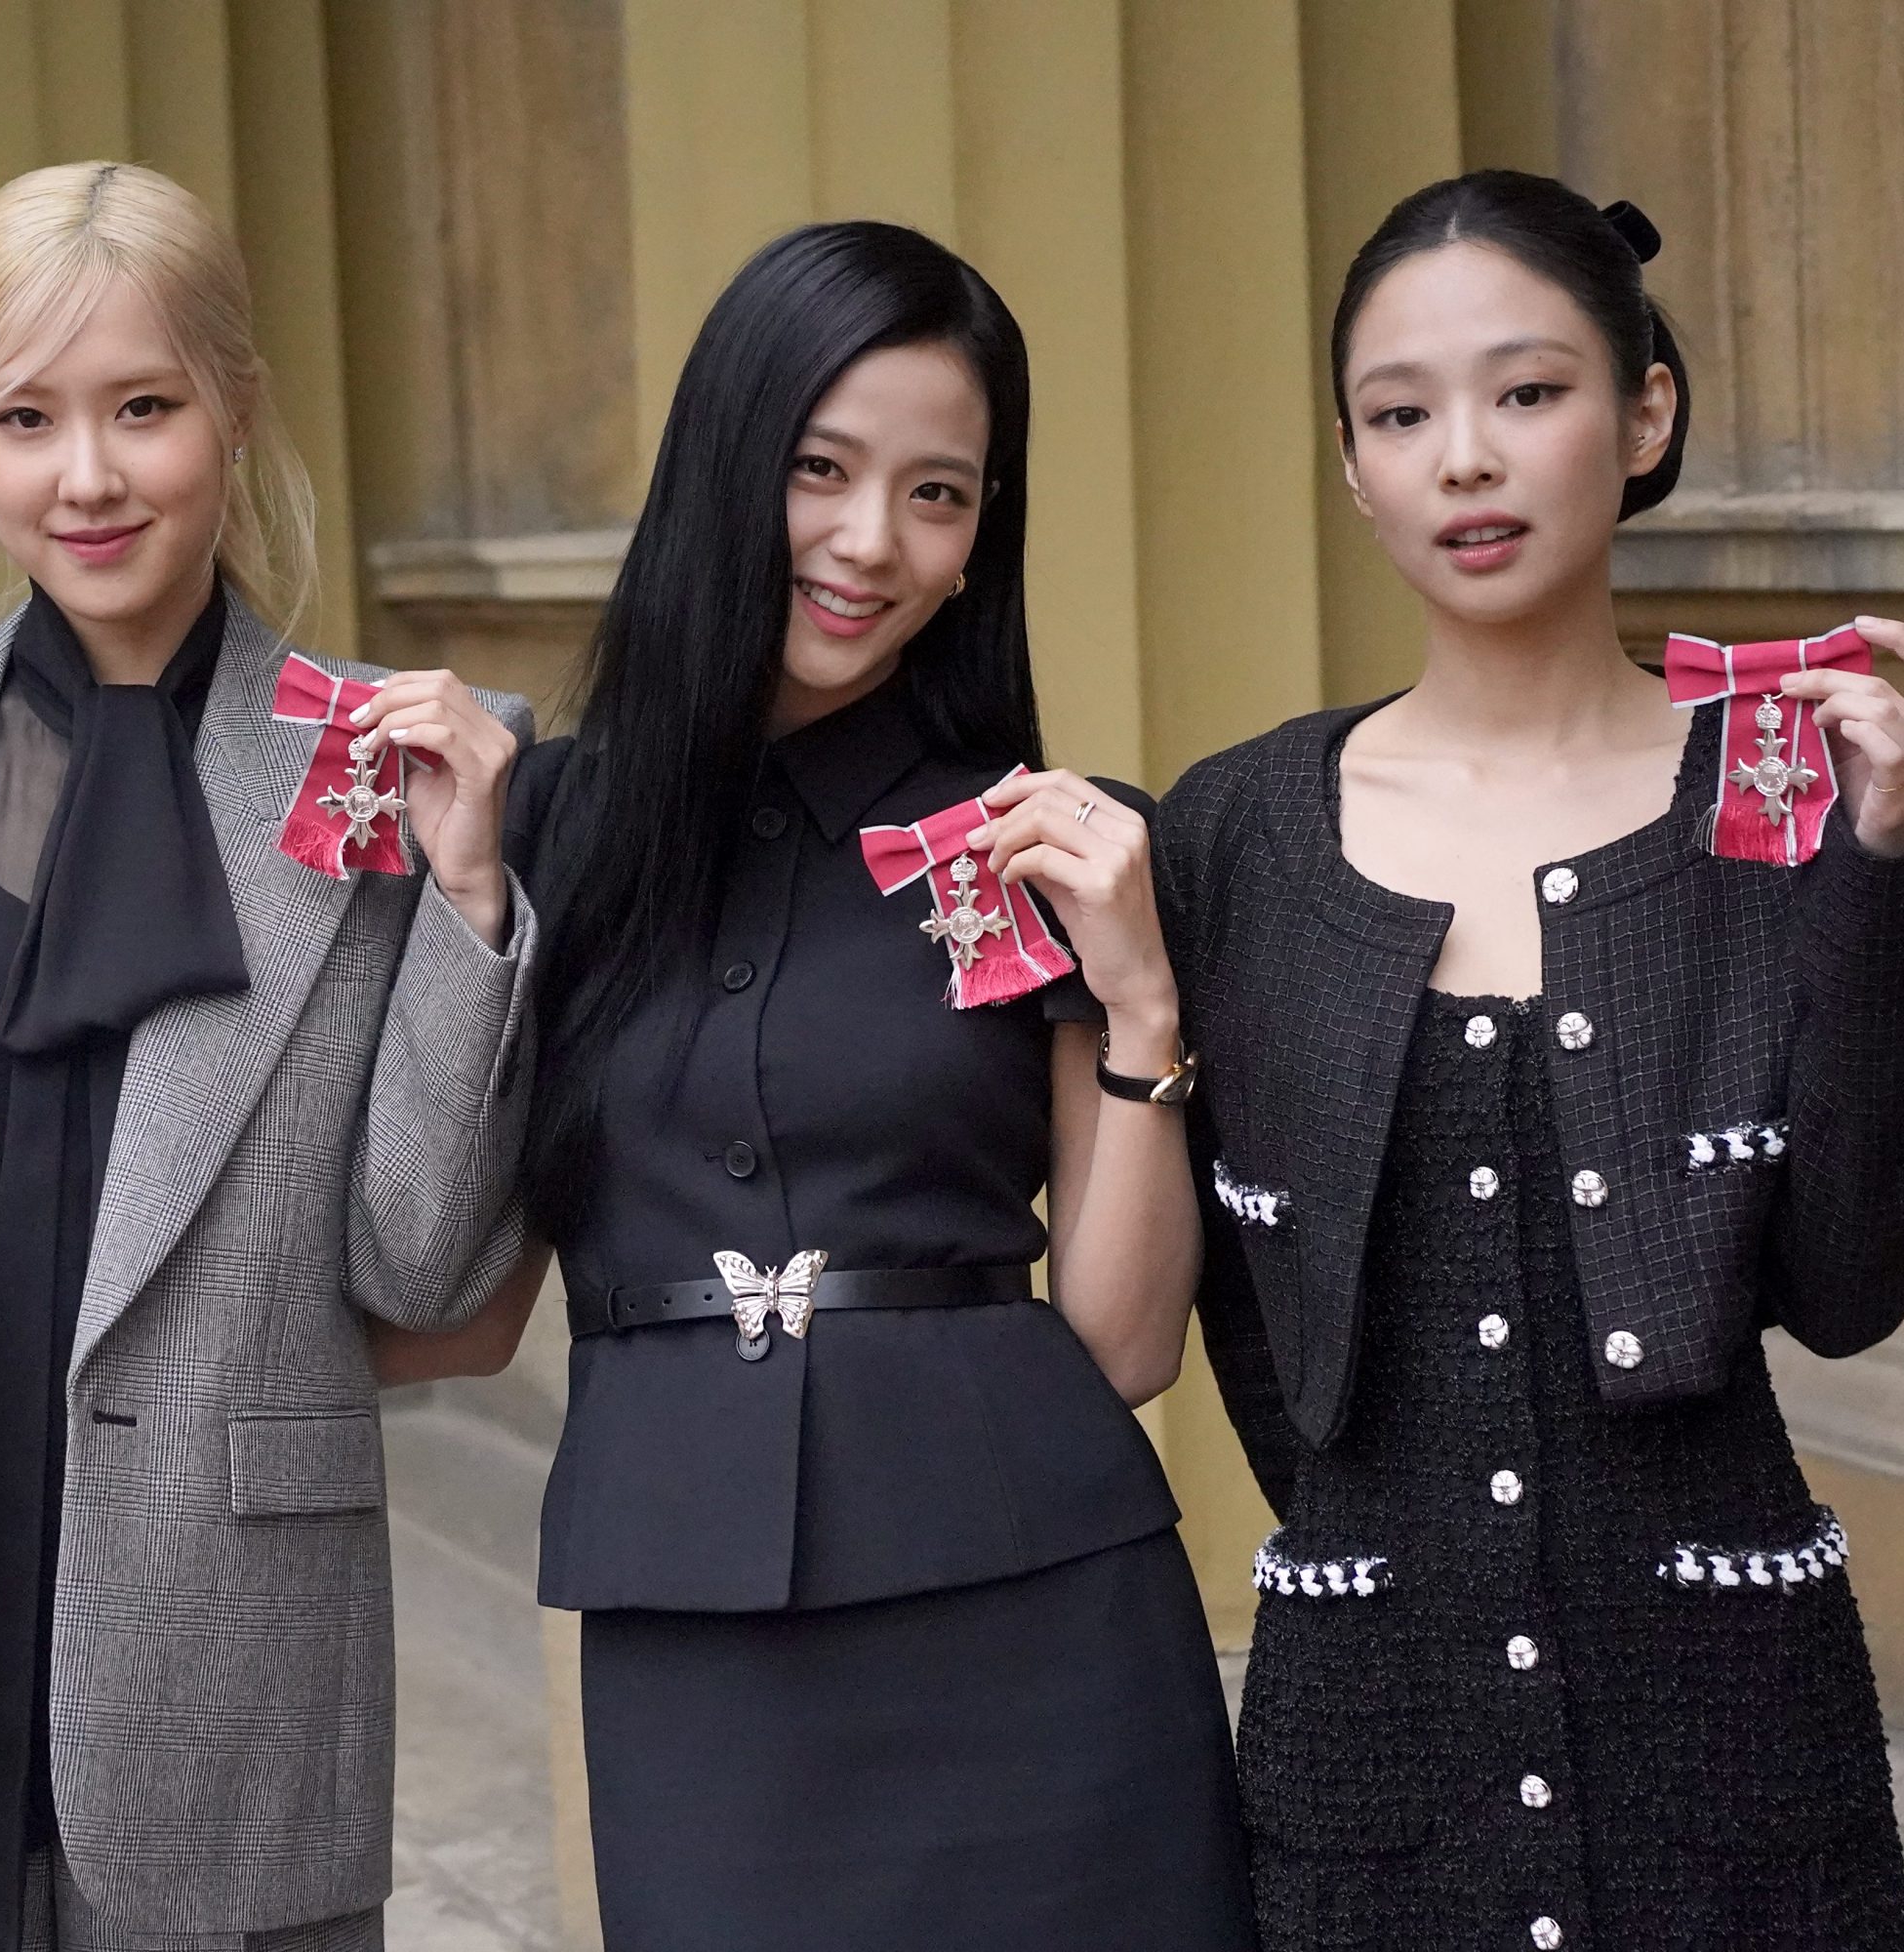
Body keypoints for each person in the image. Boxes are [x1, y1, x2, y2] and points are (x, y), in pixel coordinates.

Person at [0, 161, 534, 1952]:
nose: (87, 477)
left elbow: (423, 1269)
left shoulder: (406, 769)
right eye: (25, 419)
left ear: (237, 405)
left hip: (231, 1662)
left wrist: (468, 903)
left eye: (144, 407)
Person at [409, 220, 1253, 1950]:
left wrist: (1143, 1000)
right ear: (727, 464)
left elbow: (1123, 1346)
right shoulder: (545, 827)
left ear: (980, 537)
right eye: (821, 469)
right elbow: (453, 1286)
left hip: (1044, 1621)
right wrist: (470, 913)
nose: (871, 541)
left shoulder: (1043, 846)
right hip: (693, 1630)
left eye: (937, 495)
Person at [1155, 170, 1904, 1948]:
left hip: (1734, 1739)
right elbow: (1247, 1325)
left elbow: (1850, 1289)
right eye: (1401, 415)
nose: (1466, 460)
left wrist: (1881, 879)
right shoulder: (1237, 835)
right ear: (1354, 467)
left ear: (1645, 415)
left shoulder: (1789, 803)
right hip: (1368, 1738)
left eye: (1531, 391)